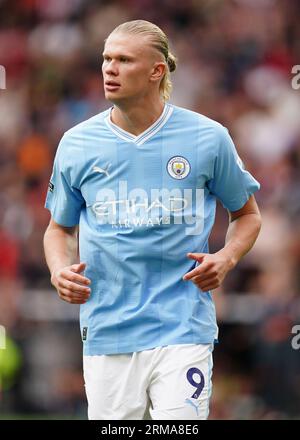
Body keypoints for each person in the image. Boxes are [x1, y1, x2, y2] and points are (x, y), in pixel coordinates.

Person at [43, 19, 261, 420]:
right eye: (107, 58)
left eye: (124, 60)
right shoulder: (77, 143)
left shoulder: (207, 137)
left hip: (182, 326)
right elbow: (59, 228)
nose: (110, 68)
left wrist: (227, 257)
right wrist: (59, 270)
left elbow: (246, 215)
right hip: (108, 329)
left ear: (156, 71)